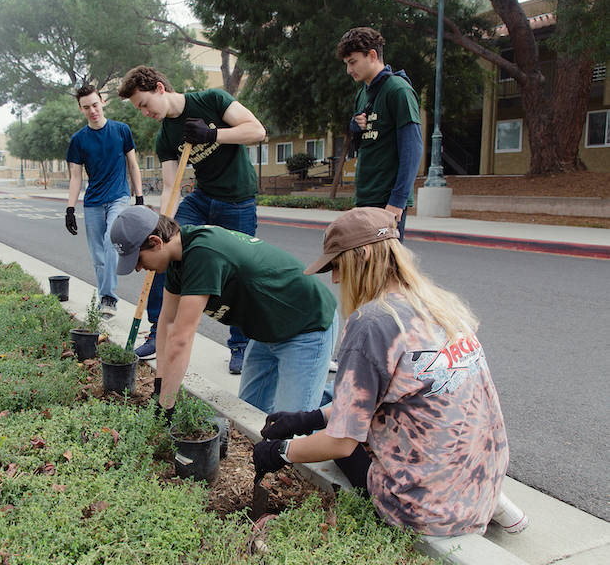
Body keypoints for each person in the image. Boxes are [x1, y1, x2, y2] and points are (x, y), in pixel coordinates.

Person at [252, 207, 529, 537]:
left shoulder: (373, 323)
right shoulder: (438, 304)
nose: (336, 279)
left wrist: (281, 452)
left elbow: (341, 442)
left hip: (426, 512)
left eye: (338, 266)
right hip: (483, 478)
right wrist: (309, 419)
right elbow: (387, 396)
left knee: (352, 446)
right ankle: (493, 502)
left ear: (363, 255)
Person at [111, 205, 338, 416]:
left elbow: (181, 339)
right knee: (250, 413)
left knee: (295, 429)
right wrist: (160, 388)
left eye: (138, 259)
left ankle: (343, 397)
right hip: (267, 329)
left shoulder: (202, 254)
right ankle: (314, 392)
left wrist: (165, 408)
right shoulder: (177, 258)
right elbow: (167, 322)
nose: (139, 268)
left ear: (156, 242)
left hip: (305, 323)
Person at [118, 66, 266, 374]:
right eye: (139, 109)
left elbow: (256, 131)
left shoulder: (212, 99)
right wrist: (159, 225)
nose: (144, 112)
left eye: (144, 104)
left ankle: (240, 346)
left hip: (238, 201)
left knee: (240, 274)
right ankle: (160, 329)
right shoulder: (166, 137)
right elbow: (171, 186)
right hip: (200, 200)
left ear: (160, 88)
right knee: (162, 252)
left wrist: (211, 134)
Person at [336, 27, 423, 240]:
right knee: (367, 269)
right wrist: (355, 127)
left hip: (387, 200)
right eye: (347, 63)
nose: (349, 70)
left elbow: (413, 150)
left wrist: (397, 202)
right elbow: (363, 144)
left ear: (372, 55)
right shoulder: (362, 95)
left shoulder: (398, 90)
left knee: (386, 270)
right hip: (366, 195)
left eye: (353, 62)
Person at [65, 85, 144, 318]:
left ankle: (109, 297)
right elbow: (76, 177)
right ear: (81, 109)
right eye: (86, 107)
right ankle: (104, 298)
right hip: (92, 202)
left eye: (95, 104)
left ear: (102, 102)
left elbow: (133, 165)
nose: (92, 110)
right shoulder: (78, 140)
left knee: (111, 243)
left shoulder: (121, 130)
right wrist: (70, 208)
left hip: (119, 197)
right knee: (97, 254)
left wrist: (139, 197)